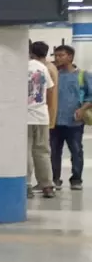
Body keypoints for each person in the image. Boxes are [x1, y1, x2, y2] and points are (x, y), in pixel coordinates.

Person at [50, 44, 92, 190]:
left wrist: (82, 109)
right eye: (56, 55)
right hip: (54, 120)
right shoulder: (53, 74)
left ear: (70, 57)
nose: (57, 58)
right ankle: (55, 179)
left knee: (76, 150)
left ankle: (76, 179)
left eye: (61, 55)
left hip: (74, 121)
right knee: (54, 151)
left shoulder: (82, 75)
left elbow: (90, 96)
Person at [27, 41, 57, 199]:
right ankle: (47, 186)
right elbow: (51, 92)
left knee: (24, 152)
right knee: (43, 152)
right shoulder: (43, 67)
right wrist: (51, 116)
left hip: (23, 118)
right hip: (41, 116)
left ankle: (26, 186)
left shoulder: (20, 66)